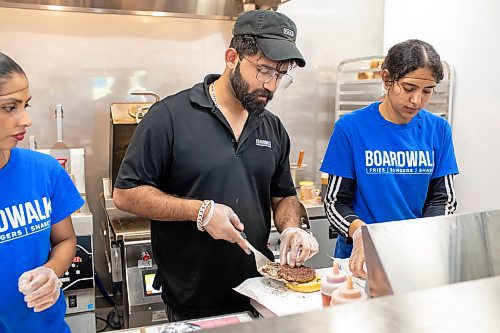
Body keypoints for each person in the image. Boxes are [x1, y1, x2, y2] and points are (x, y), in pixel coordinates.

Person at [113, 10, 319, 321]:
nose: (272, 86)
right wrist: (201, 211)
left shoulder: (272, 128)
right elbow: (125, 194)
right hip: (191, 299)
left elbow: (283, 194)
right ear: (232, 57)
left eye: (280, 75)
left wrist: (291, 226)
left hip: (259, 291)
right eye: (264, 71)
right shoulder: (169, 116)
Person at [321, 39, 458, 279]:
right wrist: (359, 233)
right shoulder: (351, 128)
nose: (417, 100)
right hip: (358, 260)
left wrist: (425, 235)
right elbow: (335, 201)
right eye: (408, 88)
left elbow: (443, 199)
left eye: (427, 91)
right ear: (386, 79)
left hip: (413, 255)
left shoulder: (438, 130)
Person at [0, 52, 84, 332]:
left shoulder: (44, 171)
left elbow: (65, 240)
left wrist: (51, 272)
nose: (26, 120)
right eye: (10, 107)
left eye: (26, 105)